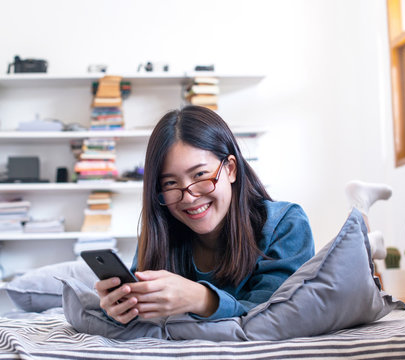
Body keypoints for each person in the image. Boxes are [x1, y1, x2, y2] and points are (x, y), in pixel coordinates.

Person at [96, 105, 315, 324]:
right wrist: (118, 307)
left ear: (230, 169)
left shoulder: (285, 224)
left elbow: (276, 317)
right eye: (171, 183)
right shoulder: (161, 226)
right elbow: (138, 301)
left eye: (200, 175)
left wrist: (202, 299)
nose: (189, 197)